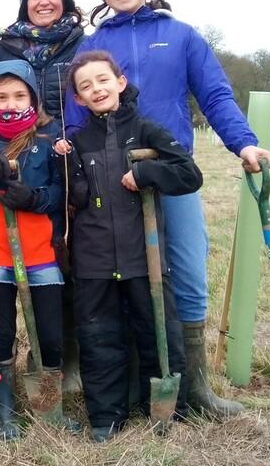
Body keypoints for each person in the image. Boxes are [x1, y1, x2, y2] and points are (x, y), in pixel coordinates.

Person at [64, 0, 270, 418]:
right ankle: (140, 386)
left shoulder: (180, 36)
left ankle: (193, 386)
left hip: (170, 170)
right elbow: (77, 114)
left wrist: (243, 143)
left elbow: (215, 93)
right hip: (113, 178)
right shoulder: (93, 43)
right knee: (129, 279)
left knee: (186, 269)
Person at [61, 50, 201, 440]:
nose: (96, 89)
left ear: (120, 82)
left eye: (103, 80)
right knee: (98, 336)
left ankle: (165, 409)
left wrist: (145, 171)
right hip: (93, 258)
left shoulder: (148, 130)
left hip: (147, 257)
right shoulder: (75, 142)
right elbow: (67, 197)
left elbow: (189, 174)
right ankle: (106, 416)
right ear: (78, 98)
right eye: (85, 86)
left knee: (158, 332)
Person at [0, 60, 76, 439]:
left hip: (42, 251)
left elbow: (64, 192)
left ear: (33, 98)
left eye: (19, 95)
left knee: (50, 334)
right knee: (1, 331)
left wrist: (33, 198)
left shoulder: (49, 136)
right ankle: (5, 413)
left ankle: (48, 408)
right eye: (1, 96)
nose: (10, 103)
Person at [0, 0, 86, 389]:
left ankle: (67, 359)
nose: (44, 1)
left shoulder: (82, 42)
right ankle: (39, 359)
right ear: (24, 3)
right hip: (23, 158)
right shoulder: (6, 48)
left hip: (71, 159)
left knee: (70, 260)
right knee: (41, 253)